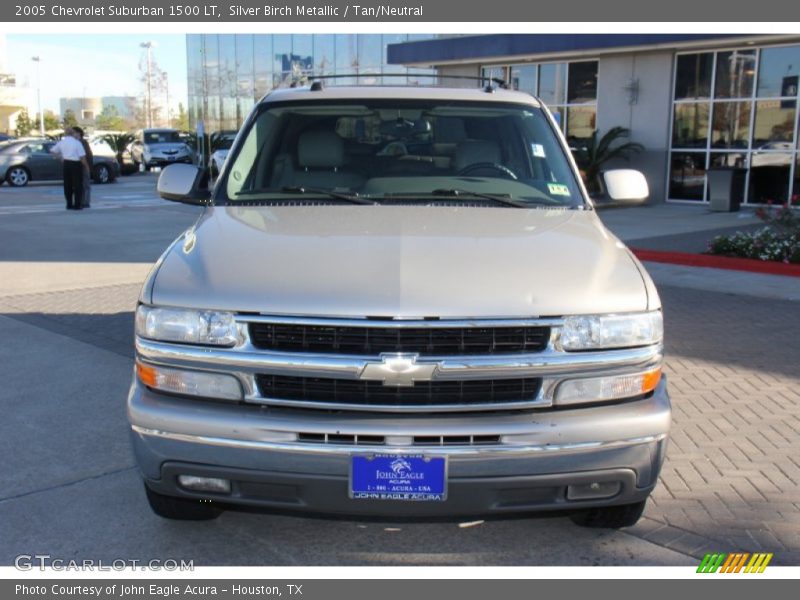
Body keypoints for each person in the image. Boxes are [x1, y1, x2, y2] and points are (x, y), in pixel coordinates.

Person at [49, 128, 89, 210]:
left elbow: (52, 151)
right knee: (77, 184)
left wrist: (60, 157)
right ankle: (77, 204)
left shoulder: (62, 142)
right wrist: (86, 166)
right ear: (73, 133)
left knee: (67, 185)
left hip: (66, 163)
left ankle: (69, 204)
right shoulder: (77, 143)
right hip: (76, 164)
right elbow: (82, 157)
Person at [73, 127, 93, 208]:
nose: (73, 134)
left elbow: (87, 155)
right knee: (78, 185)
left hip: (84, 166)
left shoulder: (83, 142)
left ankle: (86, 201)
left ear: (78, 133)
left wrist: (88, 166)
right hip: (76, 166)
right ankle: (80, 201)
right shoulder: (74, 142)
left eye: (74, 132)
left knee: (85, 185)